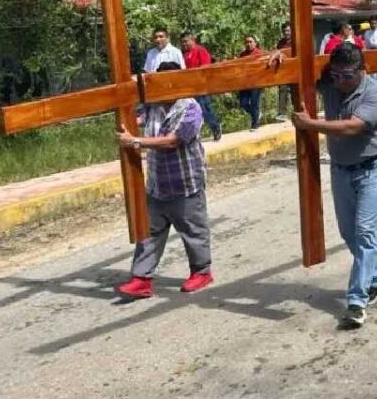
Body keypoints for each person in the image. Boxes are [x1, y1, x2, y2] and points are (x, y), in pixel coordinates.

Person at [283, 44, 377, 328]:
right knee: (348, 233)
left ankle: (356, 301)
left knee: (366, 233)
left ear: (362, 70)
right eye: (336, 76)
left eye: (346, 76)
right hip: (342, 170)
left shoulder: (376, 95)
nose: (340, 82)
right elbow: (296, 69)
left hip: (372, 169)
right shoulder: (331, 84)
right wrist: (281, 56)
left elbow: (351, 127)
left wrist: (310, 124)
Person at [114, 61, 214, 299]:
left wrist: (135, 142)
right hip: (158, 184)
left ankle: (202, 272)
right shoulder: (152, 106)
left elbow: (172, 141)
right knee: (148, 233)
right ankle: (142, 279)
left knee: (193, 231)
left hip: (185, 183)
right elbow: (133, 119)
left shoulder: (190, 108)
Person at [181, 34, 223, 141]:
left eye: (186, 41)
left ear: (193, 40)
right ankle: (199, 132)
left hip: (201, 85)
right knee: (193, 110)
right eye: (183, 42)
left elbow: (206, 67)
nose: (184, 44)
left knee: (203, 109)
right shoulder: (185, 54)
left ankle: (216, 127)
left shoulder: (200, 50)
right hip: (190, 87)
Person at [237, 35, 265, 130]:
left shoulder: (259, 53)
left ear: (255, 43)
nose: (248, 44)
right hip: (244, 83)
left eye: (250, 41)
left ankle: (255, 124)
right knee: (243, 103)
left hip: (256, 82)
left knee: (254, 103)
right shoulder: (242, 55)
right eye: (247, 42)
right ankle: (256, 114)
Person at [275, 23, 295, 118]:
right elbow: (277, 53)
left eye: (288, 30)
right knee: (282, 90)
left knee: (295, 91)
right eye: (285, 31)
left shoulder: (296, 41)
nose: (286, 33)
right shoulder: (280, 43)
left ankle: (297, 109)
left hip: (294, 69)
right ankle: (282, 113)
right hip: (283, 70)